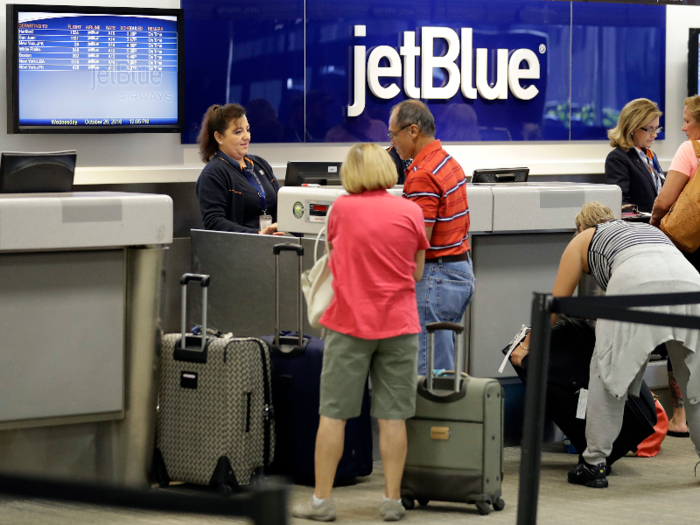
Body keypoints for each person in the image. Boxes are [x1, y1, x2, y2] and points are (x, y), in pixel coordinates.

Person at [511, 202, 700, 488]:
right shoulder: (643, 230)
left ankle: (594, 464)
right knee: (695, 384)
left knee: (606, 374)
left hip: (637, 286)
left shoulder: (582, 240)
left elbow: (556, 303)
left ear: (580, 228)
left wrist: (526, 344)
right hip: (691, 285)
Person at [292, 143, 430, 522]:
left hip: (349, 324)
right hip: (400, 325)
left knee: (333, 415)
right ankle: (391, 500)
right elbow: (416, 272)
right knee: (393, 416)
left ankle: (322, 502)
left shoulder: (341, 209)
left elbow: (337, 257)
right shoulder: (411, 211)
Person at [388, 99, 474, 376]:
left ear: (412, 131)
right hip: (459, 273)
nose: (391, 144)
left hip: (434, 281)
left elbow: (417, 243)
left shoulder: (422, 175)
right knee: (443, 373)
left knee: (426, 380)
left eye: (393, 134)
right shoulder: (448, 162)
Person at [650, 95, 700, 435]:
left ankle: (681, 417)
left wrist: (654, 223)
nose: (682, 127)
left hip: (691, 249)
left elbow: (666, 200)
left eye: (687, 120)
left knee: (680, 330)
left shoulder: (690, 150)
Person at [195, 103, 283, 234]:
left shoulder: (260, 164)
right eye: (238, 132)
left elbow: (281, 201)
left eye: (247, 129)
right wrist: (257, 235)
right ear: (219, 137)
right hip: (239, 249)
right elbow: (214, 222)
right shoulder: (213, 173)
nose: (246, 136)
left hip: (272, 244)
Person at [605, 98, 664, 212]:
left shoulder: (650, 156)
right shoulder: (618, 158)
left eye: (656, 129)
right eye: (650, 129)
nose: (655, 135)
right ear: (632, 128)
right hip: (639, 227)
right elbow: (622, 205)